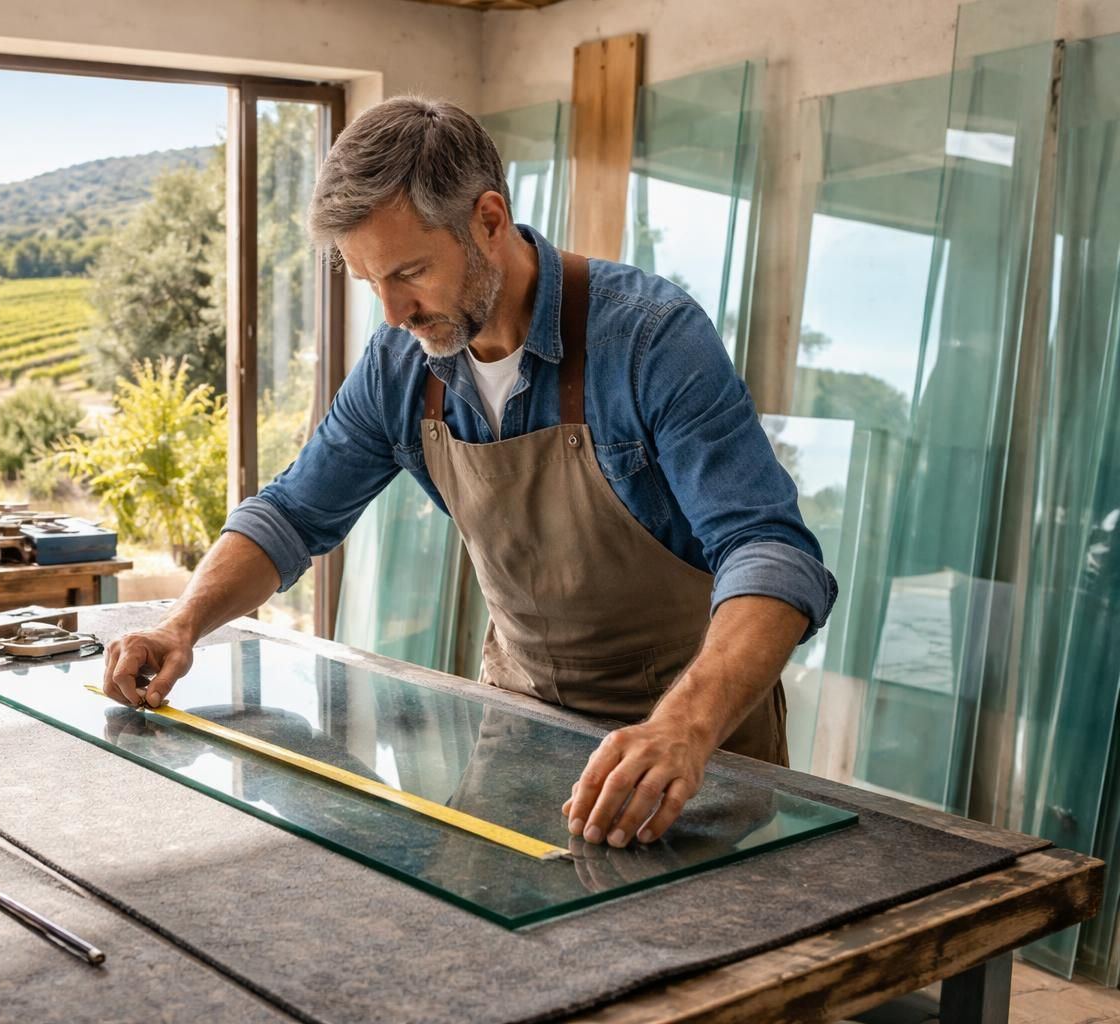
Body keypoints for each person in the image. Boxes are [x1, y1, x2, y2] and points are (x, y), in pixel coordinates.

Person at [102, 95, 835, 849]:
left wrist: (683, 728)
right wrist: (181, 623)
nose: (393, 313)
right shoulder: (400, 365)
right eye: (370, 282)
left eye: (410, 272)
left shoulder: (650, 338)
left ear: (489, 219)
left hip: (689, 747)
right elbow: (291, 515)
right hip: (521, 727)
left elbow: (772, 555)